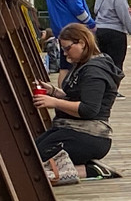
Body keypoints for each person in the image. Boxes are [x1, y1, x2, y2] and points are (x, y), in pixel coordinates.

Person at [33, 23, 123, 178]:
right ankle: (85, 165)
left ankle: (90, 170)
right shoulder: (85, 64)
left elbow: (89, 109)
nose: (65, 54)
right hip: (75, 129)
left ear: (82, 43)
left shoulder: (94, 71)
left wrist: (54, 102)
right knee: (33, 152)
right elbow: (77, 97)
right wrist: (53, 92)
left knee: (35, 163)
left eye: (67, 48)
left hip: (89, 136)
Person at [44, 0, 94, 86]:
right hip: (74, 30)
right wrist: (90, 23)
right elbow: (76, 6)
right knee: (81, 65)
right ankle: (73, 98)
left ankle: (62, 97)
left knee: (65, 67)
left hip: (60, 28)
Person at [93, 0, 131, 99]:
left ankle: (100, 89)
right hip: (115, 33)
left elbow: (96, 10)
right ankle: (112, 91)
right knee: (116, 63)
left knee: (101, 61)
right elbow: (124, 16)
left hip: (100, 31)